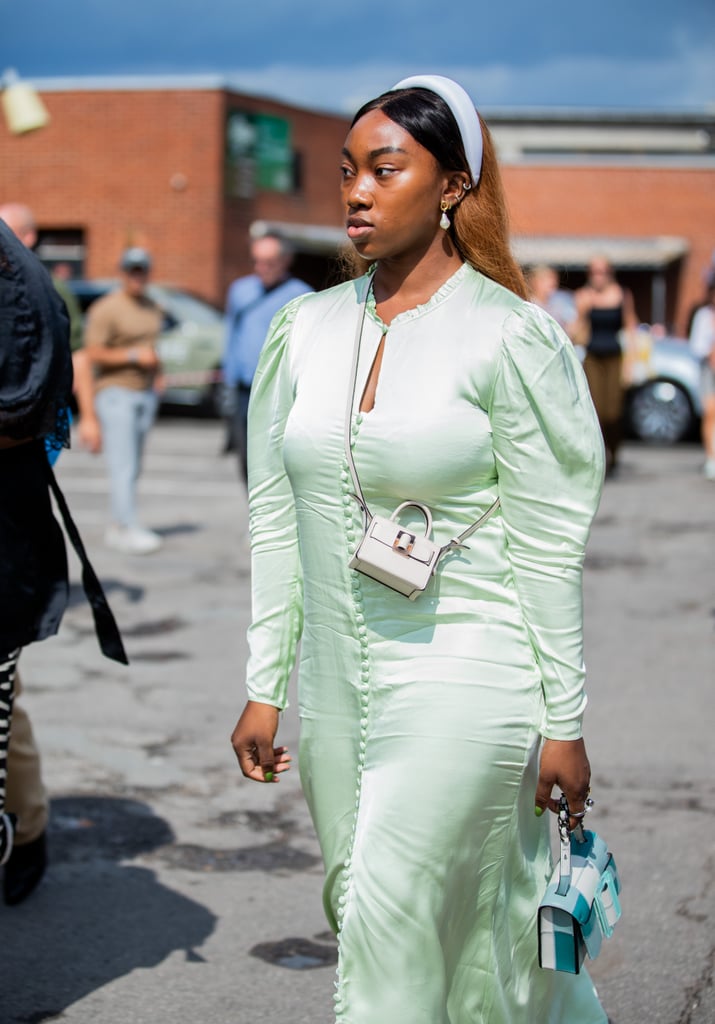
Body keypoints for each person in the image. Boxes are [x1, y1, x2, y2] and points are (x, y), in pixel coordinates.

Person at [231, 75, 607, 1022]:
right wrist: (265, 682)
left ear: (451, 188)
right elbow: (276, 517)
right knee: (382, 911)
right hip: (336, 692)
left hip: (467, 676)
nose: (356, 191)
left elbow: (546, 543)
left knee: (387, 919)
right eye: (348, 171)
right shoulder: (302, 331)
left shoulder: (510, 338)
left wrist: (562, 716)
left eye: (385, 169)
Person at [0, 221, 127, 900]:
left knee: (2, 702)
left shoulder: (20, 283)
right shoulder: (28, 279)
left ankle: (26, 830)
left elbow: (26, 411)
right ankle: (27, 827)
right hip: (16, 527)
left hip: (9, 532)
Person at [0, 203, 102, 454]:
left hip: (35, 412)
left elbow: (78, 352)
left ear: (28, 237)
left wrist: (88, 417)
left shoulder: (49, 287)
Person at [84, 247, 164, 554]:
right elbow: (91, 353)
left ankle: (121, 523)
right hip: (116, 392)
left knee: (135, 464)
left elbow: (153, 348)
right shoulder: (107, 308)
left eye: (142, 269)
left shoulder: (152, 306)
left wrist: (158, 375)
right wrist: (132, 355)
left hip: (145, 393)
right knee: (123, 464)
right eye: (132, 270)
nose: (137, 276)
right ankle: (125, 527)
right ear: (123, 272)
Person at [222, 232, 312, 481]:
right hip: (243, 390)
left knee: (275, 458)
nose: (261, 269)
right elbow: (231, 335)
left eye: (268, 262)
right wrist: (228, 381)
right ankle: (255, 511)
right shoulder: (240, 290)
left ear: (285, 261)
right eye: (256, 261)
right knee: (246, 456)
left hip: (278, 391)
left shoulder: (302, 295)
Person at [572, 256, 638, 476]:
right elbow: (578, 330)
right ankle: (601, 457)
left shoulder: (621, 294)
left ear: (610, 273)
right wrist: (581, 315)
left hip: (614, 357)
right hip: (593, 357)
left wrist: (631, 363)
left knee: (614, 412)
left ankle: (615, 451)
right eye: (593, 272)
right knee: (597, 410)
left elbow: (631, 328)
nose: (597, 276)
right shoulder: (583, 296)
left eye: (602, 272)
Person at [688, 282, 715, 479]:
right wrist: (710, 351)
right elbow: (695, 346)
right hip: (708, 369)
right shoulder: (704, 316)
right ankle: (711, 457)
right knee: (710, 413)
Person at [526, 263, 577, 334]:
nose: (552, 282)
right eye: (545, 279)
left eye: (554, 278)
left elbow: (573, 331)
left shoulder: (563, 299)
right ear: (534, 282)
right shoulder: (527, 304)